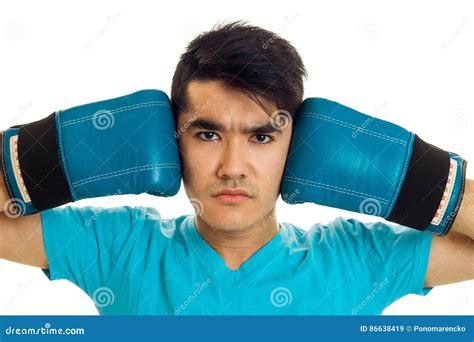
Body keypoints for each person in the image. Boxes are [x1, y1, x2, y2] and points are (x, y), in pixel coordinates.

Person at [0, 21, 472, 315]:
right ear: (170, 139)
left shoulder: (357, 260)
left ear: (298, 145)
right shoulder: (119, 246)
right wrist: (31, 162)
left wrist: (420, 180)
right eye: (207, 134)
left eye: (261, 136)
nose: (232, 167)